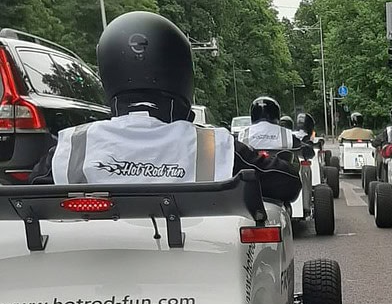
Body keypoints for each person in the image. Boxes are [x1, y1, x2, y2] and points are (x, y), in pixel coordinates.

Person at [28, 11, 301, 205]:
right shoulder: (210, 145)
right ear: (181, 72)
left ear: (108, 73)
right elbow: (286, 183)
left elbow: (31, 197)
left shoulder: (75, 145)